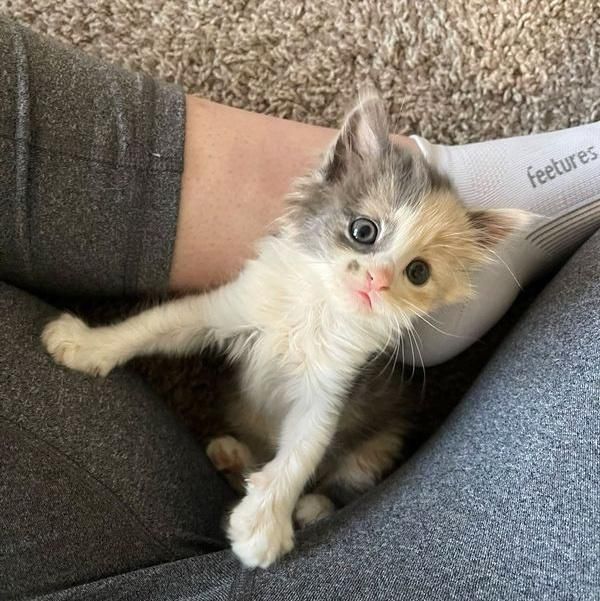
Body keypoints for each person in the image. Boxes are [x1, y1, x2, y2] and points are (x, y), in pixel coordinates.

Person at [0, 16, 598, 601]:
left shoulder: (363, 334)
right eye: (365, 231)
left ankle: (308, 499)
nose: (378, 277)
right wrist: (109, 344)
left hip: (338, 443)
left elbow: (319, 414)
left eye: (416, 273)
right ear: (333, 178)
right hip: (245, 440)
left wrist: (278, 495)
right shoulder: (279, 272)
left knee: (355, 455)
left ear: (443, 288)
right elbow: (197, 320)